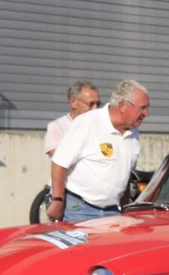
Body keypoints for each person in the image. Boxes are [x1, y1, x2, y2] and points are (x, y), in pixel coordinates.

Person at [47, 80, 150, 222]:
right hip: (80, 209)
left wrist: (125, 207)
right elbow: (59, 163)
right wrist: (57, 200)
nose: (146, 113)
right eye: (142, 108)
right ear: (122, 106)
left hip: (113, 210)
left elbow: (125, 174)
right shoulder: (88, 122)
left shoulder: (134, 131)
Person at [44, 81, 100, 158]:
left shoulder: (101, 125)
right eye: (91, 104)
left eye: (98, 104)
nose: (95, 108)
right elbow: (59, 157)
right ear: (73, 102)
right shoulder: (57, 127)